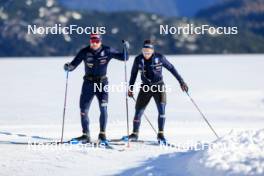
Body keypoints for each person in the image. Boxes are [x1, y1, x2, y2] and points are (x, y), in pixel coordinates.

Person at [64, 34, 129, 144]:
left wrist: (126, 48)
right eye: (92, 40)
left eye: (97, 41)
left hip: (102, 83)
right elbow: (73, 65)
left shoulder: (107, 50)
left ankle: (102, 134)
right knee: (83, 110)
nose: (94, 43)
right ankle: (85, 135)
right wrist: (68, 67)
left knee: (103, 108)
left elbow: (124, 58)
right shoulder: (84, 52)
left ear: (100, 41)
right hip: (88, 83)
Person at [126, 40, 188, 144]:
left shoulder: (160, 58)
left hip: (159, 86)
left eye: (148, 52)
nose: (146, 54)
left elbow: (172, 68)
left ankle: (161, 134)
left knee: (161, 111)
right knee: (138, 111)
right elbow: (133, 74)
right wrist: (130, 88)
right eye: (144, 51)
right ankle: (135, 134)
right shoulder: (138, 59)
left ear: (152, 51)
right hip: (145, 87)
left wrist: (181, 82)